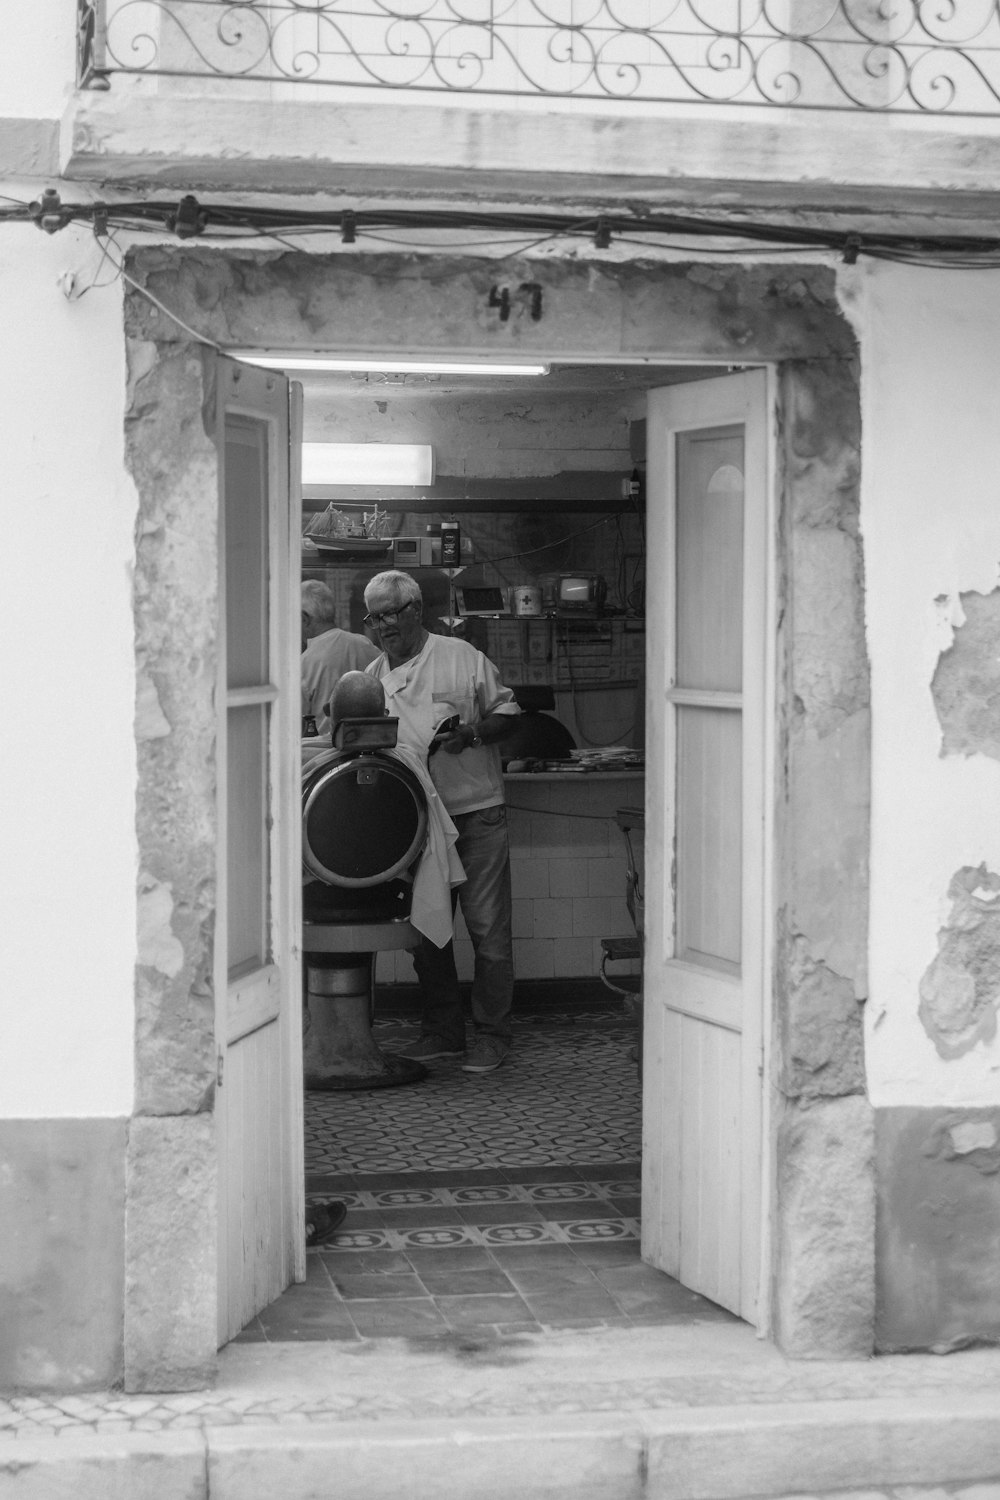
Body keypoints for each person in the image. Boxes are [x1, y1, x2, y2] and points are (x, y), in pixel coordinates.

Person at [363, 569, 521, 1074]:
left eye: (391, 613)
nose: (383, 625)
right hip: (417, 825)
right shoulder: (369, 679)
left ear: (415, 610)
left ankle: (493, 1035)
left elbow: (512, 714)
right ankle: (444, 1033)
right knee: (429, 935)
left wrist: (471, 734)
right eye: (374, 617)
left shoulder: (460, 657)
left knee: (488, 934)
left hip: (476, 814)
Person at [301, 580, 378, 735]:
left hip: (324, 755)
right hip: (371, 748)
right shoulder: (366, 645)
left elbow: (297, 726)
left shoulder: (304, 664)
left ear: (304, 619)